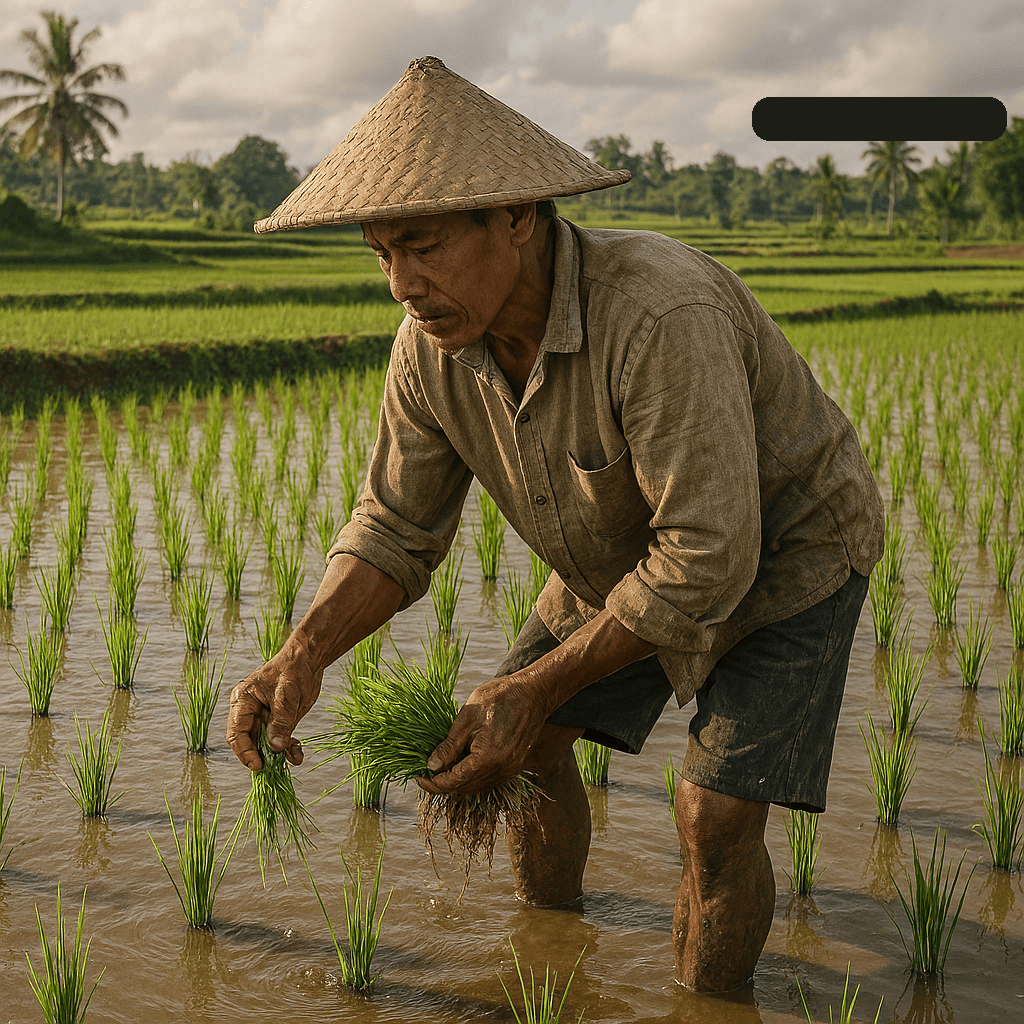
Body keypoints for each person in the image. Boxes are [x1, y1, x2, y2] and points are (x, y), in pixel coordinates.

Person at [227, 56, 884, 992]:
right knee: (524, 751)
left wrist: (533, 684)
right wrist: (301, 655)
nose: (401, 285)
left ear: (517, 216)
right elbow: (395, 525)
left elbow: (709, 553)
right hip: (618, 555)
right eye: (381, 253)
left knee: (713, 813)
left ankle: (708, 1007)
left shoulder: (655, 315)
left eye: (423, 245)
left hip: (787, 553)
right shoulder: (431, 351)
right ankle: (552, 973)